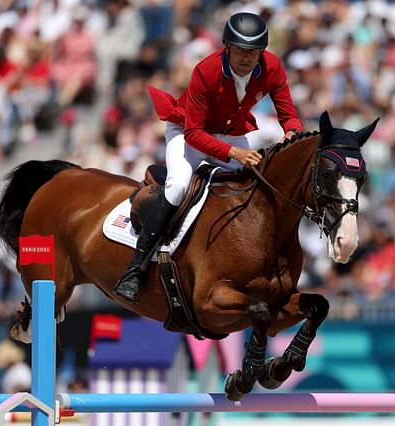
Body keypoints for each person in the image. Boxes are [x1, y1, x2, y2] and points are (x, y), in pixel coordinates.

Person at [114, 12, 303, 303]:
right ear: (227, 47)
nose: (246, 58)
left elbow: (288, 114)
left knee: (258, 184)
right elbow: (194, 134)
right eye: (240, 50)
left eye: (253, 52)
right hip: (189, 131)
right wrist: (234, 152)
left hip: (230, 133)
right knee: (178, 186)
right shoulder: (207, 70)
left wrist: (293, 134)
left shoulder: (273, 68)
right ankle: (135, 270)